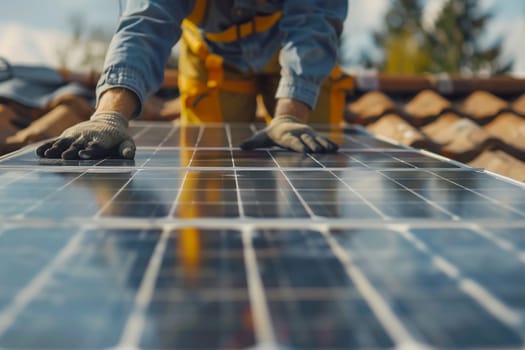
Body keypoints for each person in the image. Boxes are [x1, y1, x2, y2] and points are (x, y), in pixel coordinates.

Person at [37, 0, 349, 160]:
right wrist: (110, 114)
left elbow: (314, 24)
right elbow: (145, 26)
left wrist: (291, 115)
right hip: (211, 60)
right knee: (210, 171)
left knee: (311, 156)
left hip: (299, 54)